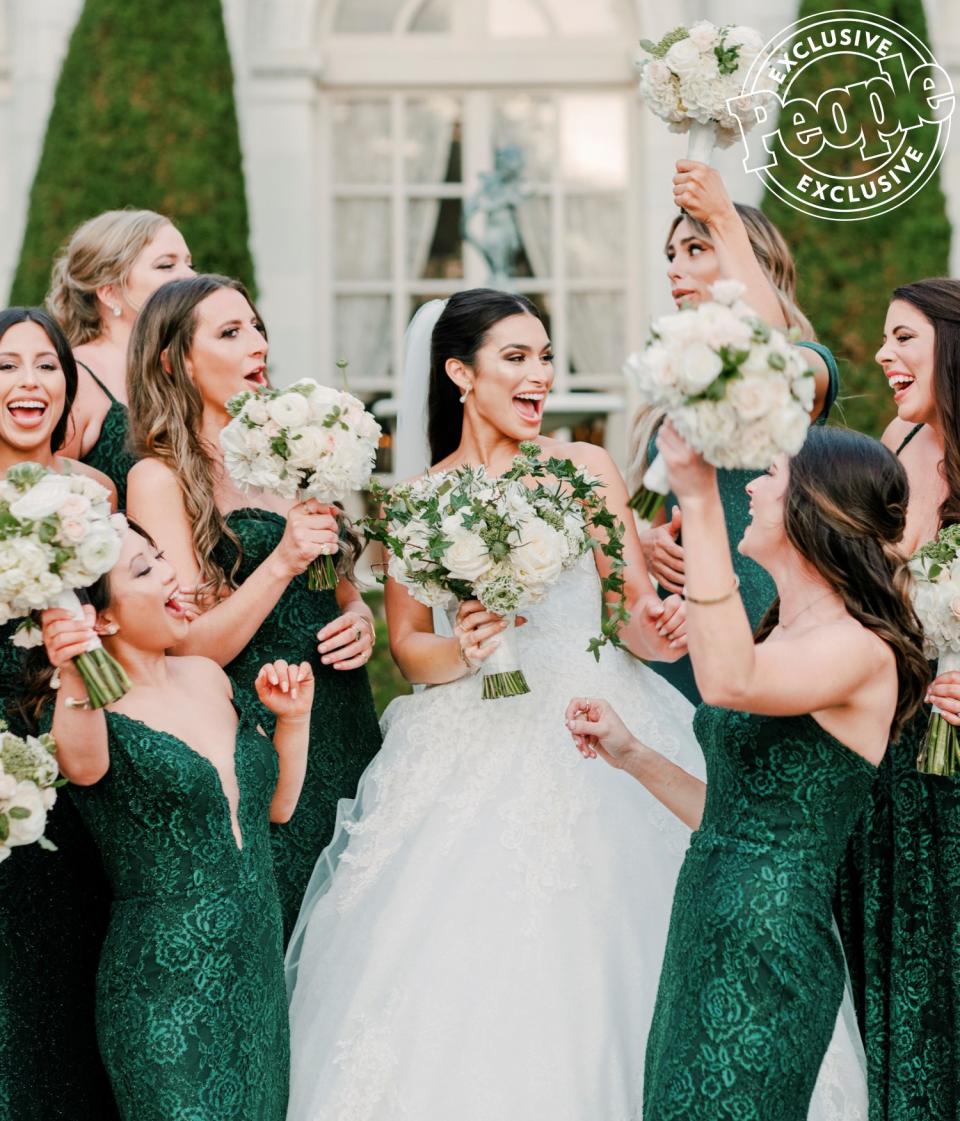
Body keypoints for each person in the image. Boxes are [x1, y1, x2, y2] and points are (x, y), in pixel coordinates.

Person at [284, 289, 865, 1121]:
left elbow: (629, 610)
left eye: (546, 356)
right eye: (516, 357)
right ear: (460, 373)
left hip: (596, 719)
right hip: (465, 728)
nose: (540, 375)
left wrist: (661, 629)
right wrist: (469, 647)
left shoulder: (584, 467)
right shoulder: (413, 501)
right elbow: (410, 648)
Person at [567, 422, 928, 1120]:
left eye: (769, 476)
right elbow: (736, 820)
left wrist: (700, 499)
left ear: (815, 508)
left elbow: (728, 679)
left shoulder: (862, 649)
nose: (752, 488)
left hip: (770, 938)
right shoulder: (779, 631)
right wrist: (633, 753)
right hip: (705, 914)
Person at [124, 273, 381, 939]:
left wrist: (360, 622)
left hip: (345, 715)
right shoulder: (160, 479)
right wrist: (284, 559)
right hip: (264, 726)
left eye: (257, 327)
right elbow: (188, 646)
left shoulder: (290, 450)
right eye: (231, 332)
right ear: (174, 358)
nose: (257, 344)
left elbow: (340, 589)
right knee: (290, 929)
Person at [37, 522, 311, 1121]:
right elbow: (80, 768)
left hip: (258, 977)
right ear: (100, 618)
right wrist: (77, 668)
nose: (170, 573)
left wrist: (294, 720)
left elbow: (277, 811)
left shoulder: (209, 677)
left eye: (161, 557)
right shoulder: (90, 706)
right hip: (165, 990)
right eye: (144, 569)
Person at [632, 161, 841, 703]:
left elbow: (769, 359)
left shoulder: (807, 366)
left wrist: (722, 214)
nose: (676, 269)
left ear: (753, 262)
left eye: (696, 249)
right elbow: (659, 514)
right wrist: (647, 543)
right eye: (672, 255)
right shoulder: (673, 381)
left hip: (760, 615)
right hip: (677, 624)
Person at [836, 277, 960, 1120]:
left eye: (903, 337)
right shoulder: (896, 437)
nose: (884, 355)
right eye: (884, 338)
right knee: (892, 965)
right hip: (890, 750)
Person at [0, 307, 117, 1119]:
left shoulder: (93, 491)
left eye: (46, 365)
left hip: (82, 737)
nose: (29, 382)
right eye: (7, 366)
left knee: (71, 979)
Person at [46, 209, 194, 506]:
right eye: (166, 265)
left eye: (190, 264)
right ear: (110, 293)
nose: (190, 276)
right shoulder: (76, 377)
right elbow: (46, 491)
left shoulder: (183, 369)